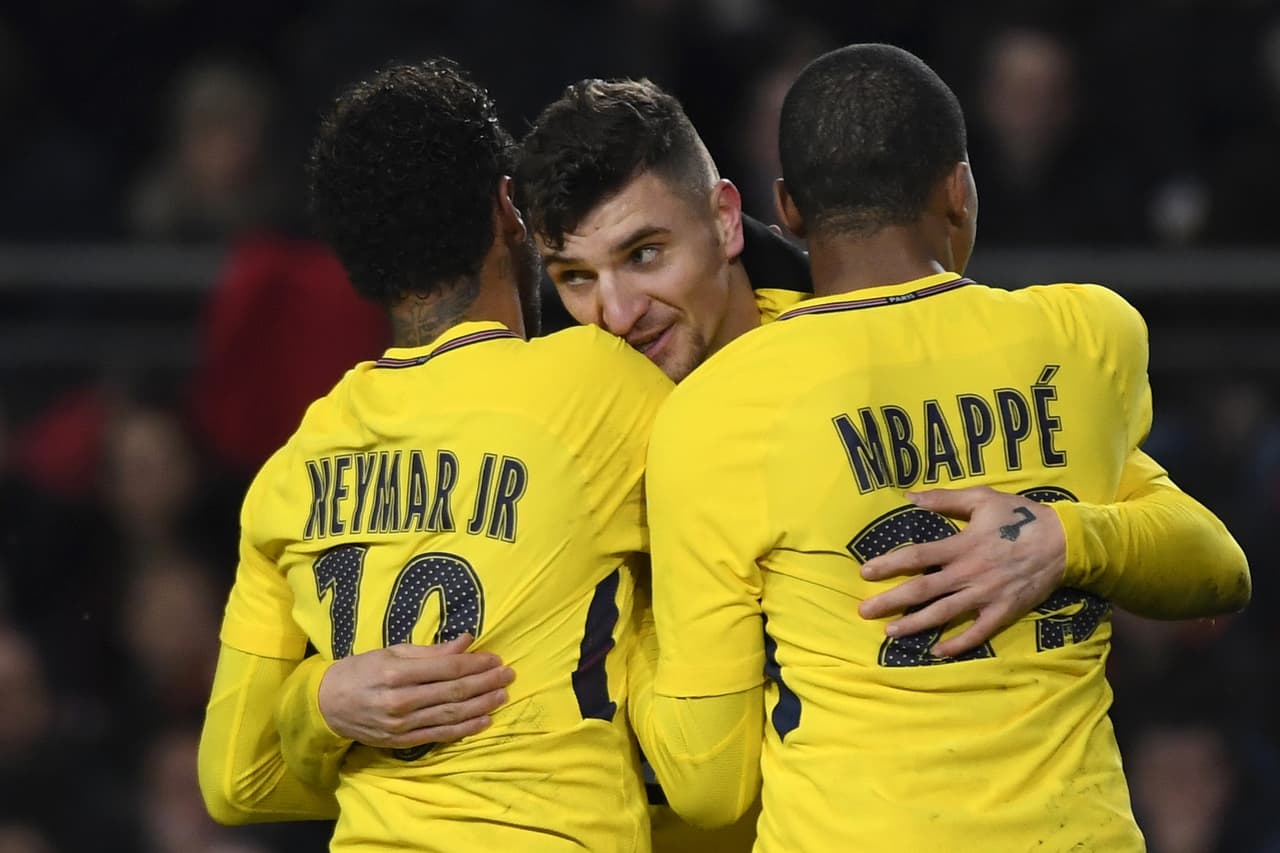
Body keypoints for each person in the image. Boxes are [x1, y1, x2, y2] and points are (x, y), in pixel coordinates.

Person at [277, 73, 1248, 851]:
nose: (613, 313)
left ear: (729, 220)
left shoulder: (834, 374)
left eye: (645, 254)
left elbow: (1199, 559)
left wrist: (1067, 538)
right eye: (575, 278)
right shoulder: (550, 417)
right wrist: (322, 699)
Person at [626, 43, 1250, 850]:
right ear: (958, 188)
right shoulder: (1086, 337)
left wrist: (625, 629)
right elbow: (1217, 569)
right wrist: (1068, 537)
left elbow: (708, 787)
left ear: (786, 207)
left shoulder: (723, 403)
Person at [196, 58, 674, 852]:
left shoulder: (295, 462)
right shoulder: (602, 388)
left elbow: (233, 779)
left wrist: (317, 703)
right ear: (506, 209)